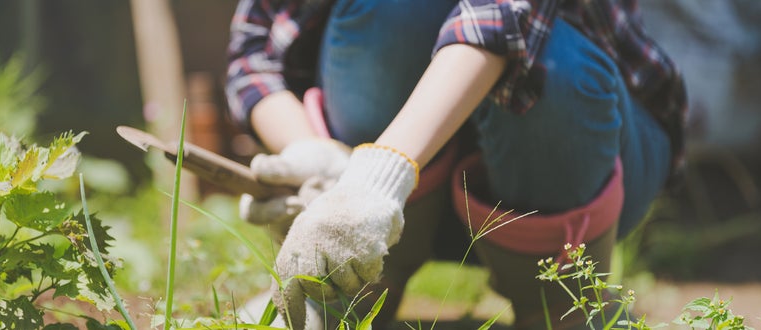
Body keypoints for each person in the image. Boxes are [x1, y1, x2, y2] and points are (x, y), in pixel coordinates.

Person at [225, 0, 686, 329]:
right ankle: (347, 292)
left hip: (579, 145)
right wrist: (321, 161)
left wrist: (378, 176)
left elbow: (501, 16)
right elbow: (253, 51)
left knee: (553, 67)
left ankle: (563, 308)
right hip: (390, 166)